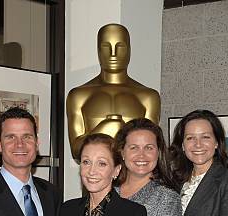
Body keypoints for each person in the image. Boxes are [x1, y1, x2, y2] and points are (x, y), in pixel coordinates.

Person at [66, 23, 161, 159]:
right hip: (96, 175)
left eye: (120, 47)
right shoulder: (78, 95)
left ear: (129, 50)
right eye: (106, 47)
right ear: (98, 51)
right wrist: (104, 128)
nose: (113, 54)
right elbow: (76, 151)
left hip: (134, 176)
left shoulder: (148, 97)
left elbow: (151, 148)